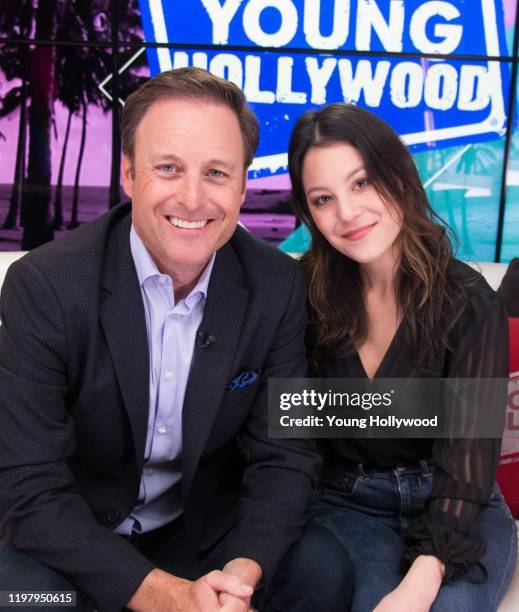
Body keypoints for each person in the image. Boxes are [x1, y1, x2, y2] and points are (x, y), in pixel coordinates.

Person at [0, 68, 353, 612]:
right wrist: (166, 596)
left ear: (241, 186)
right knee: (22, 599)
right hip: (72, 538)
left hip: (195, 532)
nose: (192, 198)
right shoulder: (44, 286)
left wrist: (242, 573)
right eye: (168, 168)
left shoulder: (276, 285)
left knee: (320, 570)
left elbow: (285, 454)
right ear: (128, 174)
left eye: (216, 173)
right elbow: (30, 488)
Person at [287, 103, 518, 612]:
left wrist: (425, 575)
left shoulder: (469, 301)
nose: (347, 213)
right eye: (323, 198)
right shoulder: (301, 295)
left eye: (362, 183)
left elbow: (468, 460)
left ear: (400, 176)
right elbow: (289, 430)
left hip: (457, 501)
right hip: (347, 502)